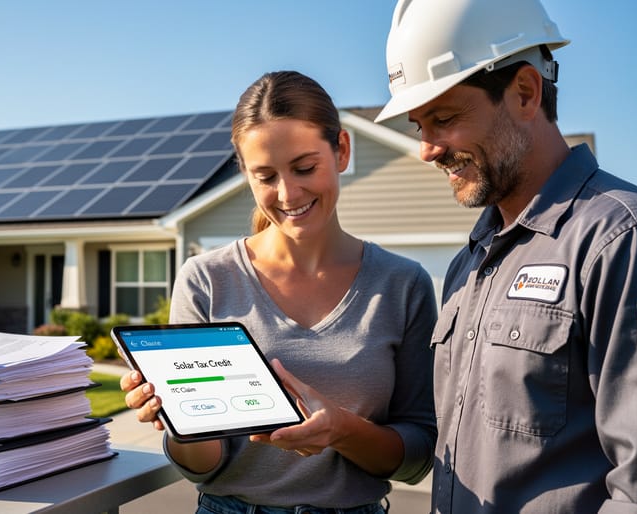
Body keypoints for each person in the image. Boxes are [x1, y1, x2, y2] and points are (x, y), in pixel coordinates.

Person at [120, 70, 438, 513]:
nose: (288, 194)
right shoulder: (206, 279)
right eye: (265, 176)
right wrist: (177, 418)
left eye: (305, 168)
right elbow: (203, 466)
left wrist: (340, 430)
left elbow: (416, 458)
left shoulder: (403, 285)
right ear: (244, 173)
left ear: (342, 150)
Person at [375, 0, 637, 512]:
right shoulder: (468, 265)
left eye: (443, 118)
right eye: (419, 126)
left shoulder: (621, 239)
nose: (427, 149)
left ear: (525, 91)